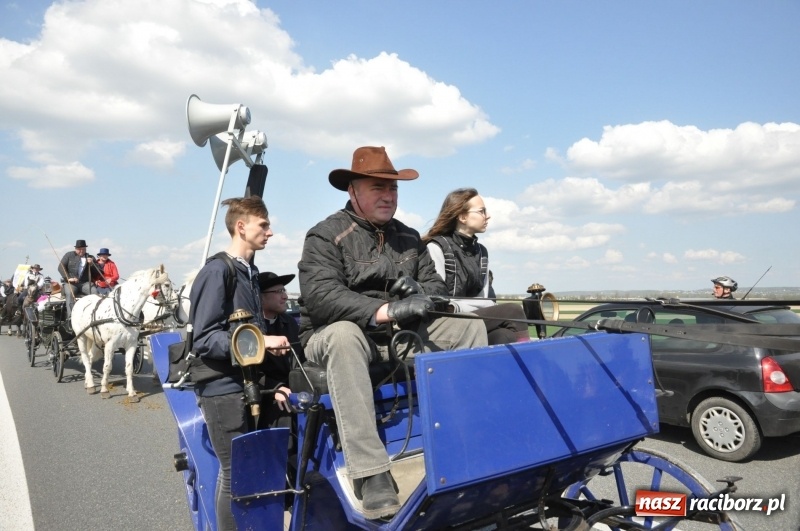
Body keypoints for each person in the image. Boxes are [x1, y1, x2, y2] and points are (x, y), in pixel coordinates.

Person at [298, 146, 488, 520]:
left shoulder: (409, 238)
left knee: (468, 327)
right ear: (353, 190)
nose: (388, 196)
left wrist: (421, 293)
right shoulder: (324, 236)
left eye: (393, 189)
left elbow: (436, 288)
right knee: (344, 336)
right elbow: (322, 297)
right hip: (333, 338)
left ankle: (466, 441)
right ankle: (371, 474)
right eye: (378, 188)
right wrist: (386, 310)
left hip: (396, 339)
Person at [189, 196, 291, 531]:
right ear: (241, 227)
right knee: (234, 471)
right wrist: (261, 343)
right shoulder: (217, 271)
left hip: (245, 384)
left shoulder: (249, 272)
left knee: (248, 470)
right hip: (221, 388)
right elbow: (205, 338)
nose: (270, 232)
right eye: (264, 225)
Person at [423, 188, 530, 345]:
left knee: (504, 336)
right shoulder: (436, 247)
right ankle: (532, 357)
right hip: (445, 321)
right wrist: (459, 307)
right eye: (482, 211)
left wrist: (460, 306)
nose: (488, 215)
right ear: (462, 217)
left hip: (469, 315)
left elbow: (485, 300)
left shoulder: (482, 252)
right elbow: (440, 302)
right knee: (514, 311)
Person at [257, 271, 306, 426]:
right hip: (265, 394)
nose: (285, 296)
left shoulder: (289, 322)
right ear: (260, 297)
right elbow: (248, 372)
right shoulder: (250, 330)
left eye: (283, 290)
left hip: (293, 389)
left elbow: (300, 360)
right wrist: (275, 388)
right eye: (278, 292)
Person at [58, 239, 103, 315]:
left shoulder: (90, 257)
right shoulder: (69, 255)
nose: (81, 251)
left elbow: (98, 272)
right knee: (70, 293)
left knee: (94, 292)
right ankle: (70, 316)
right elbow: (61, 267)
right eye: (79, 249)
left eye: (83, 249)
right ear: (75, 249)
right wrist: (68, 278)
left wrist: (92, 264)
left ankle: (94, 314)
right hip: (71, 283)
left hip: (85, 283)